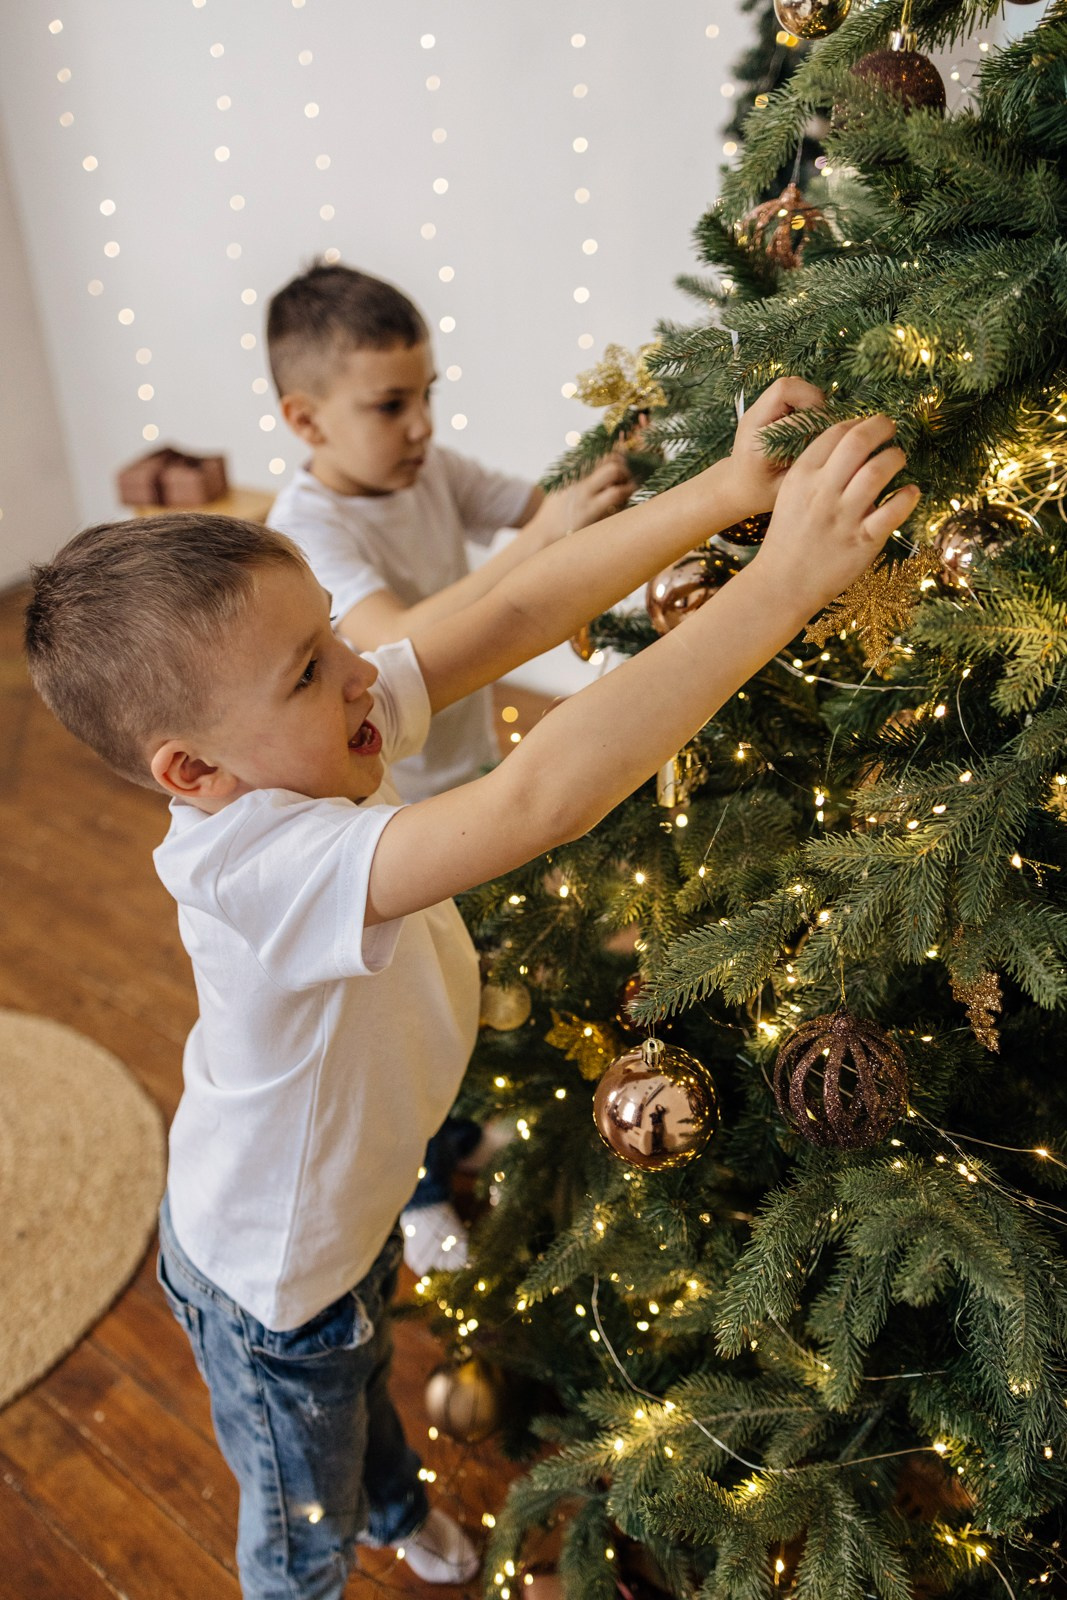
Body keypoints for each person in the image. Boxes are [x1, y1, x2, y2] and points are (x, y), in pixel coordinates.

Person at [24, 379, 918, 1600]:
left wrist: (725, 490)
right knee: (298, 1524)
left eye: (332, 632)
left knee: (357, 1392)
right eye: (309, 669)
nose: (361, 672)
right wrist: (781, 582)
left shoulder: (310, 740)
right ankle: (343, 1544)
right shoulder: (255, 864)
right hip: (269, 1286)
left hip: (335, 1230)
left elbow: (512, 609)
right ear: (195, 771)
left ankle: (393, 1507)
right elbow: (536, 799)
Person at [266, 262, 634, 1275]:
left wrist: (619, 466)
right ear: (305, 420)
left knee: (484, 983)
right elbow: (398, 644)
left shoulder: (426, 469)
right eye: (390, 404)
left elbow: (544, 505)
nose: (422, 424)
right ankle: (421, 1188)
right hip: (385, 826)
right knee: (412, 1018)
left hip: (469, 779)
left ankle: (464, 1133)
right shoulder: (307, 532)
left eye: (426, 393)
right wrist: (542, 540)